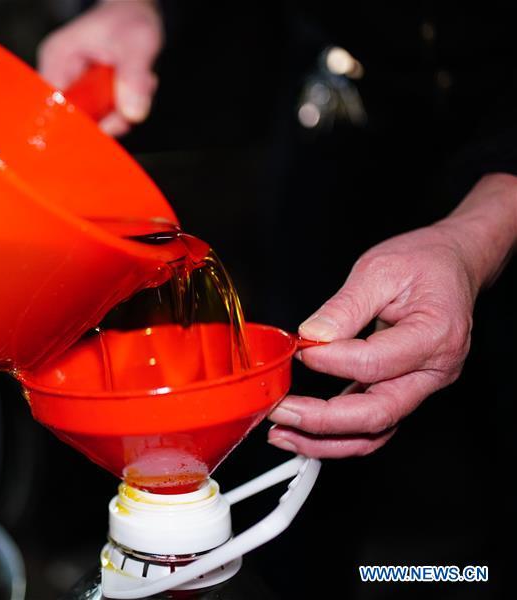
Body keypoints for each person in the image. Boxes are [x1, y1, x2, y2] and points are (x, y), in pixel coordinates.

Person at [38, 0, 517, 458]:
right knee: (290, 393)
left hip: (496, 131)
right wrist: (136, 5)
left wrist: (479, 235)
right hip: (329, 106)